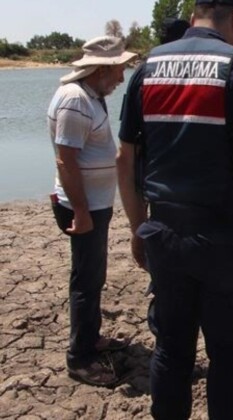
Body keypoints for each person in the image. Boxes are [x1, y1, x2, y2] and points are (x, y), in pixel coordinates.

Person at [117, 0, 233, 418]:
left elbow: (126, 160)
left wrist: (135, 226)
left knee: (172, 349)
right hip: (228, 241)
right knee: (229, 356)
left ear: (195, 13)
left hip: (164, 231)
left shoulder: (146, 69)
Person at [47, 36, 137, 387]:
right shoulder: (74, 101)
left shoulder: (91, 97)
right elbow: (65, 160)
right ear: (101, 69)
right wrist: (81, 212)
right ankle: (80, 358)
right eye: (118, 69)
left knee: (93, 275)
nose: (121, 77)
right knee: (85, 281)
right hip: (81, 207)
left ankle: (92, 337)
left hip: (94, 205)